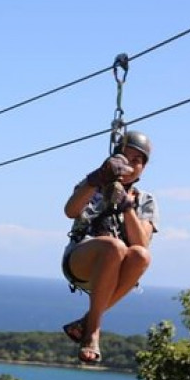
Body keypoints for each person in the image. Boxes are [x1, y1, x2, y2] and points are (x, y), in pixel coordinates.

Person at [61, 130, 158, 364]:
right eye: (126, 158)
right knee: (114, 246)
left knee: (141, 255)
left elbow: (141, 243)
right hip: (82, 259)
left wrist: (126, 205)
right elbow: (71, 211)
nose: (131, 166)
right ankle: (92, 332)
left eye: (138, 161)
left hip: (116, 271)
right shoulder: (93, 183)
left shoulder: (145, 200)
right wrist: (99, 177)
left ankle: (85, 322)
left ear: (143, 168)